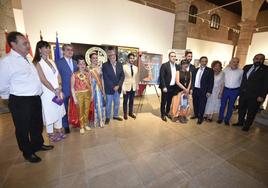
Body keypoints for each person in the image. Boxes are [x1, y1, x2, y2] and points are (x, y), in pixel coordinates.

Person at [0, 32, 53, 163]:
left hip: (34, 98)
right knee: (23, 128)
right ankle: (27, 152)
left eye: (28, 43)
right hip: (20, 100)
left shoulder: (28, 58)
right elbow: (2, 85)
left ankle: (37, 144)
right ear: (13, 45)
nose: (28, 45)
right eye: (24, 43)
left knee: (37, 124)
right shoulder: (7, 61)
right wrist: (10, 99)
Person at [33, 41, 66, 142]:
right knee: (50, 112)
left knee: (58, 110)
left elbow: (58, 75)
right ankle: (50, 133)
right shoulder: (37, 63)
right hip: (47, 92)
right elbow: (43, 79)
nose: (48, 49)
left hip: (57, 90)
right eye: (45, 48)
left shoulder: (52, 61)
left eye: (48, 47)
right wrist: (54, 90)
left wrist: (59, 87)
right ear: (39, 49)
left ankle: (59, 130)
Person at [233, 54, 268, 131]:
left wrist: (262, 96)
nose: (258, 60)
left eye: (260, 59)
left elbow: (266, 84)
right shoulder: (247, 67)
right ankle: (240, 122)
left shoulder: (266, 69)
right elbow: (242, 80)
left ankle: (247, 125)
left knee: (251, 111)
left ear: (263, 60)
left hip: (256, 96)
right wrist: (239, 91)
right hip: (244, 93)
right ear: (253, 59)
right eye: (256, 58)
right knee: (241, 108)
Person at [56, 44, 78, 134]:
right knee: (63, 108)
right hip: (63, 90)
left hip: (75, 90)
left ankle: (75, 122)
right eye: (68, 50)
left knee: (74, 108)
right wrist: (59, 89)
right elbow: (56, 77)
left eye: (72, 50)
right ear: (63, 51)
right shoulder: (58, 62)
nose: (70, 51)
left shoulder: (75, 62)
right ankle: (65, 126)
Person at [217, 57, 243, 125]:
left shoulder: (241, 71)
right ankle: (220, 118)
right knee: (222, 105)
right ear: (230, 62)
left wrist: (239, 92)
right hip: (225, 90)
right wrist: (220, 91)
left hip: (235, 91)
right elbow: (222, 80)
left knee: (231, 106)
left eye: (237, 62)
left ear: (238, 63)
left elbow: (241, 82)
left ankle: (227, 120)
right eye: (233, 62)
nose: (235, 63)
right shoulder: (225, 70)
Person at [70, 56, 92, 134]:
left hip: (87, 93)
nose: (82, 65)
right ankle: (81, 126)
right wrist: (75, 98)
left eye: (84, 63)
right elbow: (72, 87)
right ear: (77, 65)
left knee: (86, 110)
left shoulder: (88, 74)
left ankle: (86, 124)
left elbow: (90, 84)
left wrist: (91, 94)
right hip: (79, 94)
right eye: (80, 63)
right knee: (80, 110)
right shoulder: (74, 74)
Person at [102, 49, 125, 124]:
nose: (112, 56)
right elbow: (106, 78)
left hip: (118, 89)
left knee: (117, 103)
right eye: (110, 55)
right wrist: (113, 86)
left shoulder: (120, 64)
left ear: (116, 55)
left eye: (114, 55)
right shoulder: (105, 65)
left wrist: (118, 85)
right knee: (108, 104)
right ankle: (107, 117)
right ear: (108, 56)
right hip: (109, 89)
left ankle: (115, 115)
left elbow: (122, 76)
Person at [191, 56, 214, 124]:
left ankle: (200, 117)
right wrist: (191, 89)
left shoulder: (209, 70)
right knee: (195, 103)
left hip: (204, 91)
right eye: (203, 61)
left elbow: (211, 82)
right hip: (195, 89)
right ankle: (196, 114)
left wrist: (209, 91)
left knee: (202, 104)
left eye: (205, 61)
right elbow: (193, 80)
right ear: (200, 62)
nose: (204, 63)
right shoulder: (196, 70)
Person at [159, 52, 179, 121]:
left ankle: (167, 113)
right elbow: (162, 77)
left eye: (174, 56)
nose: (173, 57)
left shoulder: (177, 66)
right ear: (169, 57)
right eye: (172, 56)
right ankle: (163, 114)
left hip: (173, 87)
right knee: (163, 101)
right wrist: (164, 86)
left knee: (169, 101)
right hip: (165, 87)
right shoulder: (164, 65)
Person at [90, 53, 106, 127]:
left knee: (100, 104)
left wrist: (103, 90)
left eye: (96, 58)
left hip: (99, 89)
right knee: (94, 105)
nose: (95, 59)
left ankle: (101, 120)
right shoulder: (88, 68)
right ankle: (95, 120)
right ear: (90, 59)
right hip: (92, 89)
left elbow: (102, 79)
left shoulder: (100, 68)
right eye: (93, 58)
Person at [122, 53, 139, 120]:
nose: (132, 59)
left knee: (132, 101)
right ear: (128, 59)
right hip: (126, 87)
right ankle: (125, 114)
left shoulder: (136, 68)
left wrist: (137, 87)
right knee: (125, 101)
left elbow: (136, 78)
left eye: (133, 58)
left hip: (133, 87)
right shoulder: (124, 67)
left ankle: (130, 113)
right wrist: (123, 88)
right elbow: (122, 78)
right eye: (130, 58)